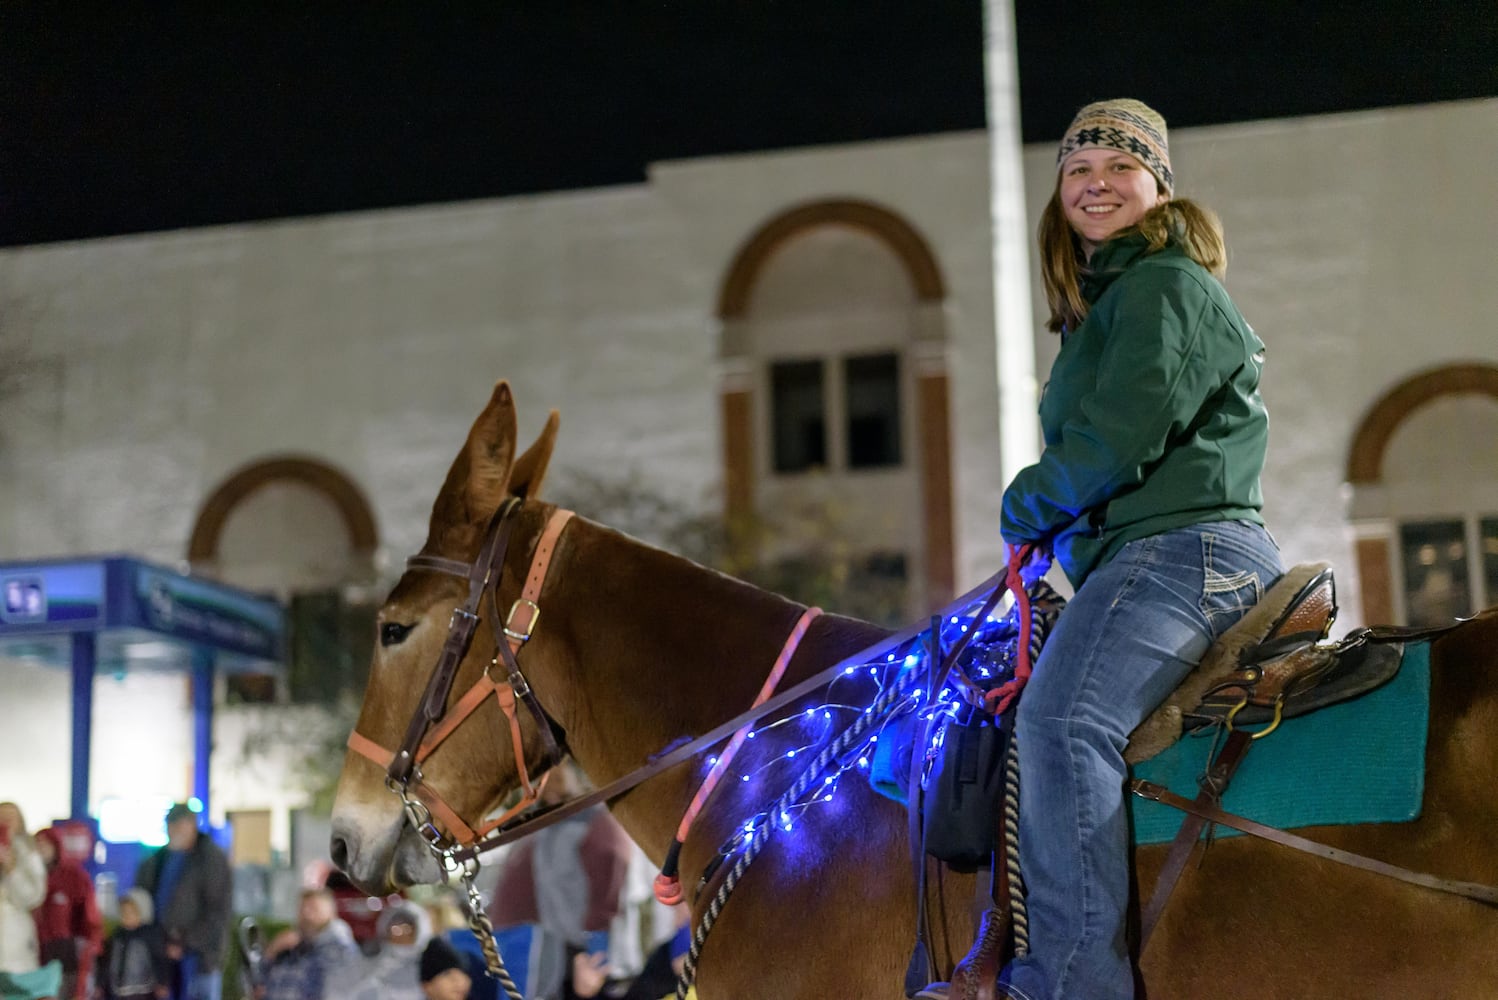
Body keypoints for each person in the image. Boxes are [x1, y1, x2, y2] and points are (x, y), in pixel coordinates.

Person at [923, 99, 1284, 1000]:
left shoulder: (1165, 286)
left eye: (1119, 167)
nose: (1095, 184)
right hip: (1145, 555)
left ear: (1158, 185)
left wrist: (1027, 504)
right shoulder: (1115, 302)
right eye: (1078, 170)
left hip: (1181, 552)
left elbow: (1119, 435)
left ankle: (1073, 984)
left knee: (1059, 722)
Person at [486, 767, 634, 1000]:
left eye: (556, 776)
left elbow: (609, 880)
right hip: (525, 933)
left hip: (555, 937)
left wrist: (592, 945)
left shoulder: (593, 819)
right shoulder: (545, 819)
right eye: (543, 779)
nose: (547, 784)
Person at [132, 804, 231, 1000]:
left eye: (180, 824)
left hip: (199, 959)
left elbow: (218, 912)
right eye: (171, 824)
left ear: (192, 825)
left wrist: (185, 942)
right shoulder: (159, 859)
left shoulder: (210, 858)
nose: (174, 829)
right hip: (163, 959)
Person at [32, 827, 103, 1000]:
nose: (41, 849)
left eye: (45, 844)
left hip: (67, 952)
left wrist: (91, 944)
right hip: (34, 952)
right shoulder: (29, 879)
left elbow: (89, 918)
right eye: (37, 845)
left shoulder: (74, 876)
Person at [256, 887, 358, 1000]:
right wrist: (273, 950)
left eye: (314, 908)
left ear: (330, 913)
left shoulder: (337, 946)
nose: (306, 914)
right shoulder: (293, 947)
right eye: (302, 909)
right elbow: (259, 982)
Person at [331, 898, 432, 1000]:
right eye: (395, 927)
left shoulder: (425, 965)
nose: (399, 932)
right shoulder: (371, 955)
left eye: (406, 928)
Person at [0, 802, 51, 996]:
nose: (5, 821)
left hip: (16, 952)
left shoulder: (29, 853)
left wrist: (11, 868)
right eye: (1, 816)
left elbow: (33, 897)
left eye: (10, 818)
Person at [95, 888, 170, 1000]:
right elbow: (107, 962)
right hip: (119, 991)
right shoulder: (117, 936)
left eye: (131, 912)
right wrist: (100, 984)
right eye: (123, 912)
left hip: (143, 992)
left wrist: (163, 982)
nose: (127, 916)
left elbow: (160, 959)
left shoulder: (150, 934)